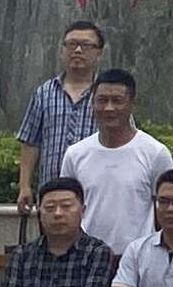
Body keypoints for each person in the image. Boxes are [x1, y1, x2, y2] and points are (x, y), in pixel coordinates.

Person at [56, 70, 173, 256]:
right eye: (102, 100)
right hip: (86, 257)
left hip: (139, 258)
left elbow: (165, 211)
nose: (109, 108)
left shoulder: (156, 153)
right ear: (92, 103)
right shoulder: (75, 154)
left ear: (132, 104)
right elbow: (66, 205)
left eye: (117, 101)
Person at [16, 21, 106, 201]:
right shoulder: (44, 93)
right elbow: (30, 143)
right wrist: (24, 187)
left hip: (96, 194)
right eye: (71, 44)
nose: (77, 50)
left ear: (98, 54)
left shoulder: (108, 95)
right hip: (51, 194)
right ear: (62, 50)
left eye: (85, 45)